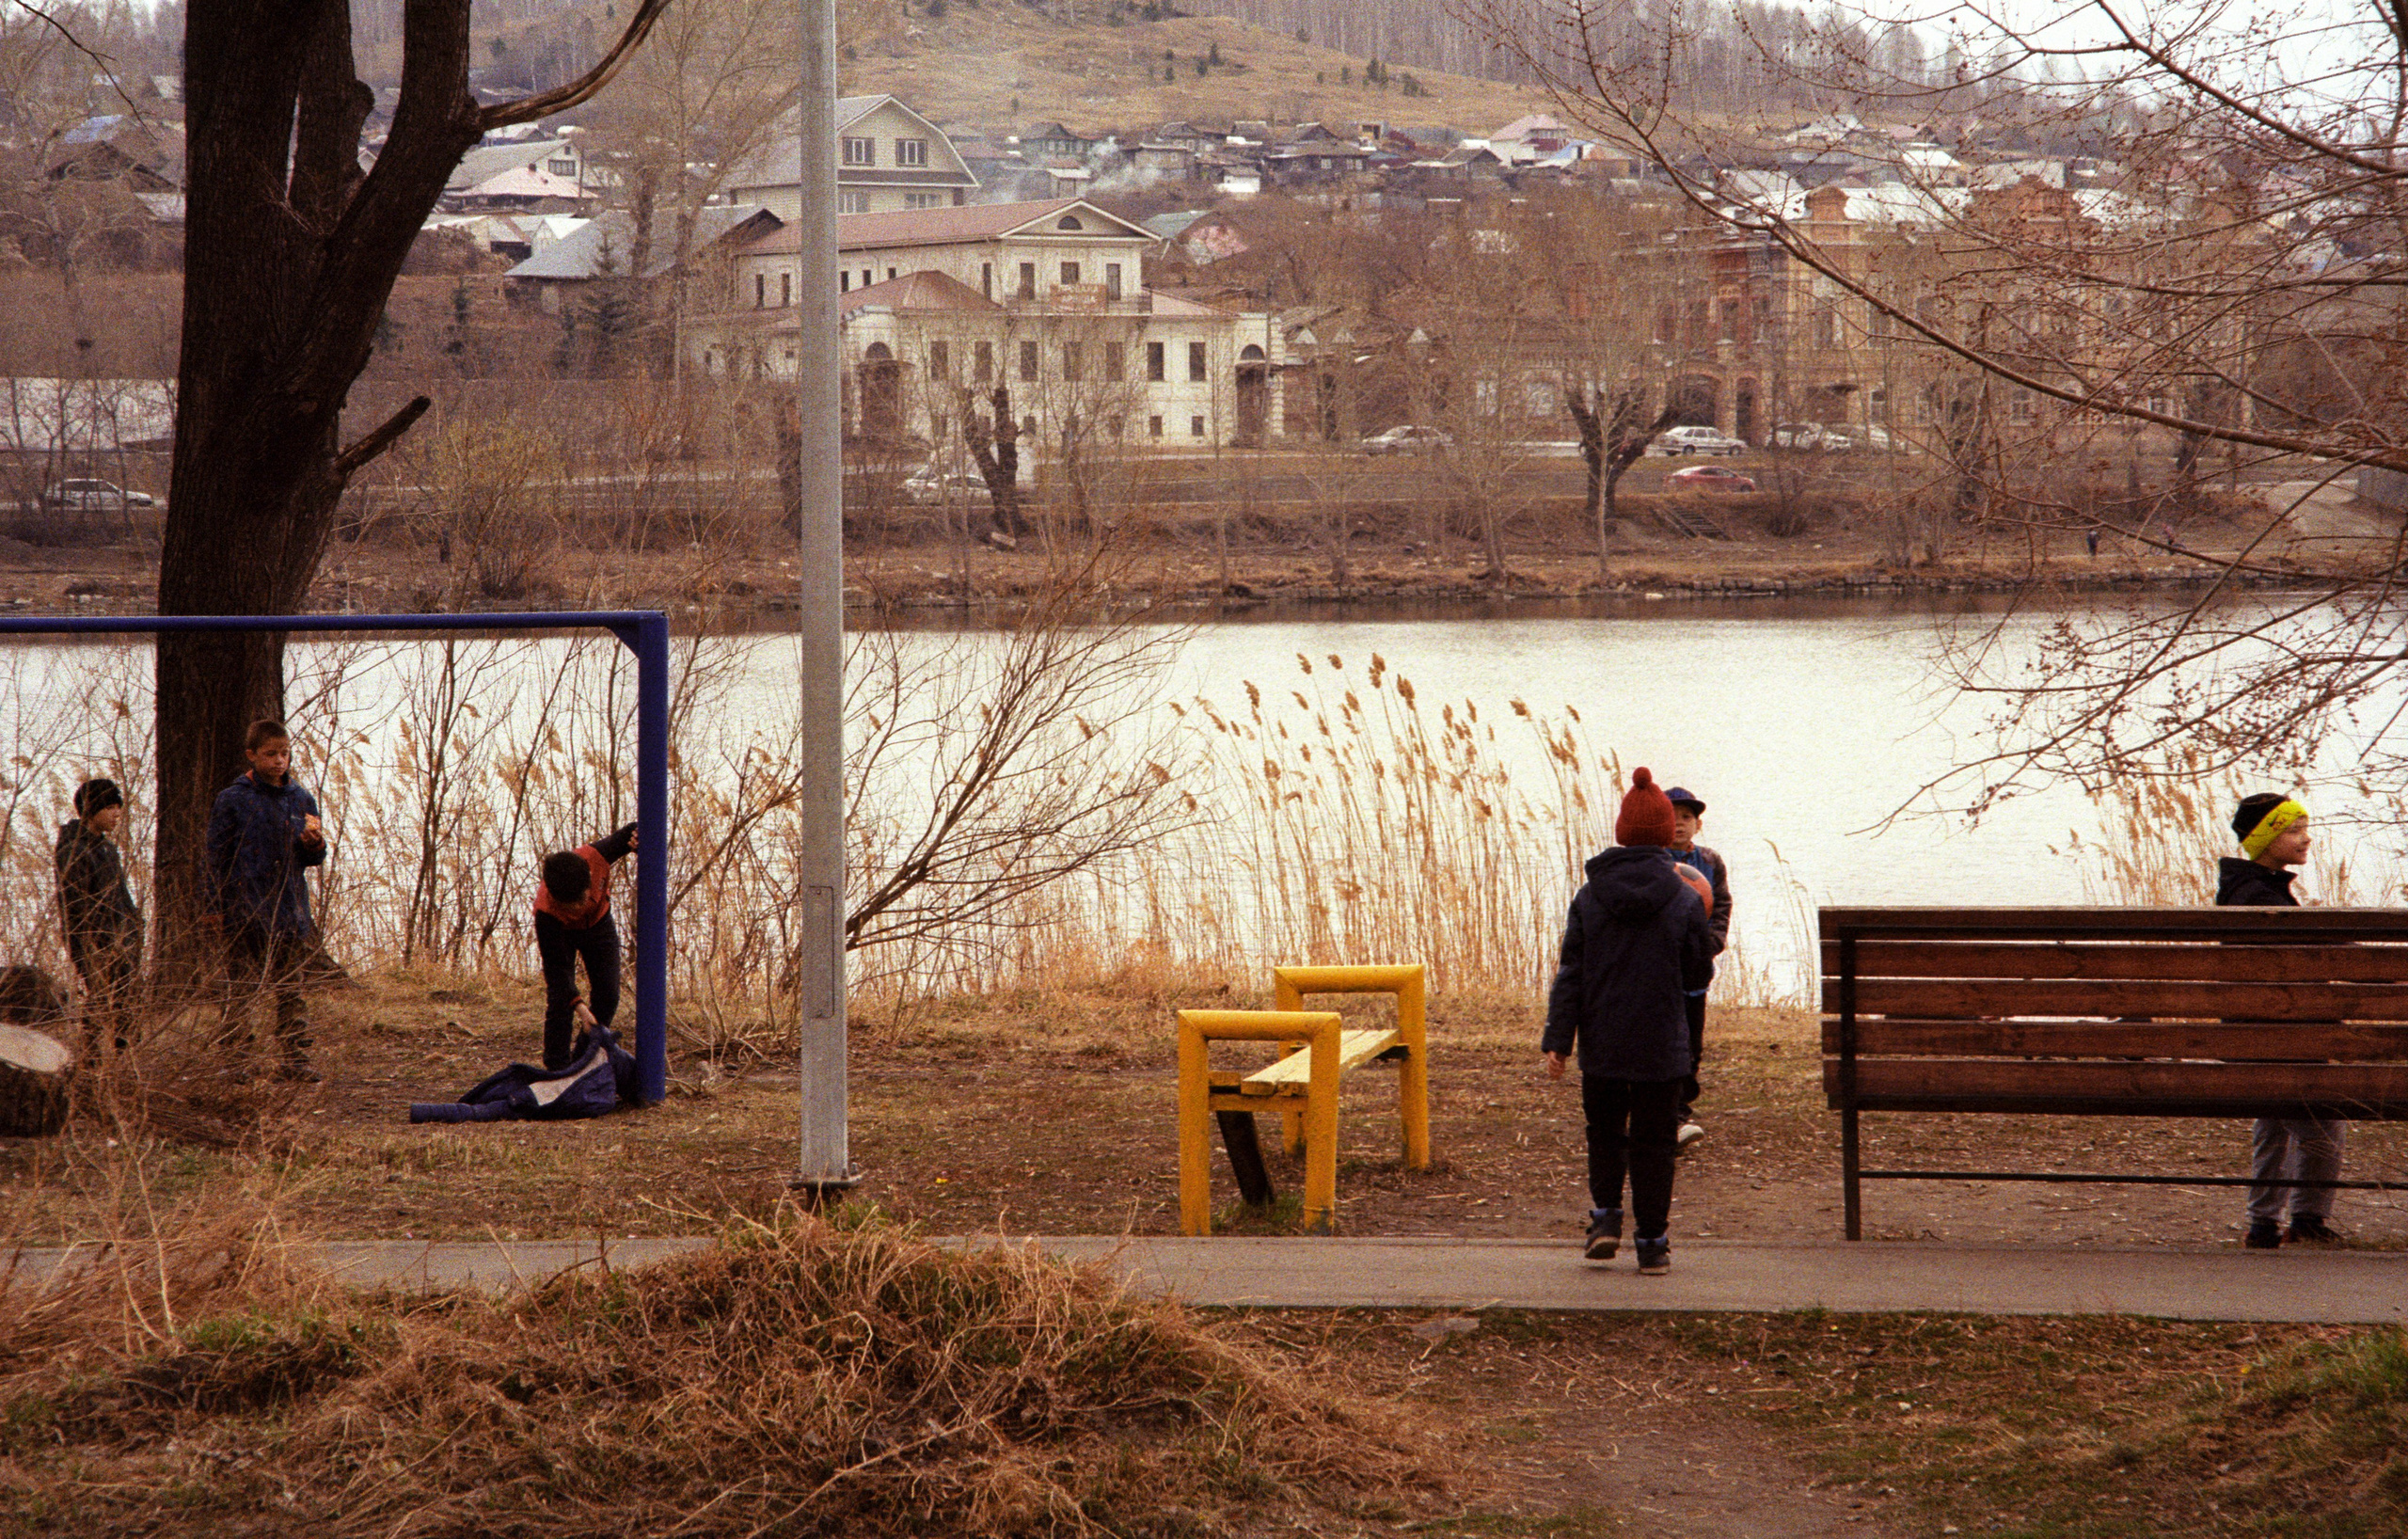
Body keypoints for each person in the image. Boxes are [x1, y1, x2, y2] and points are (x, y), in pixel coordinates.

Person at [1543, 767, 1716, 1276]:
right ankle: (1652, 1244)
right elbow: (1697, 974)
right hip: (1661, 1044)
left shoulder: (1590, 896)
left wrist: (1559, 1040)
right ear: (1664, 834)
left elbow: (1571, 973)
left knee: (1604, 1132)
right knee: (1655, 1143)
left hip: (1603, 1041)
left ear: (1621, 832)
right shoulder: (1685, 897)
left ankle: (1605, 1221)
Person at [2220, 791, 2345, 1248]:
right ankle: (2308, 1219)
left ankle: (2262, 1223)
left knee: (2274, 1124)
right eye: (2293, 830)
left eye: (2305, 828)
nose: (2306, 838)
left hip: (2256, 1042)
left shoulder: (2247, 889)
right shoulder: (2259, 898)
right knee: (2324, 1122)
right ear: (2263, 839)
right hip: (2278, 1042)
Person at [206, 719, 328, 1083]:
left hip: (288, 909)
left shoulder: (301, 799)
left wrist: (315, 846)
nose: (279, 761)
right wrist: (213, 907)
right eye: (271, 754)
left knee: (291, 989)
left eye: (285, 753)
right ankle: (236, 1061)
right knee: (240, 989)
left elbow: (314, 858)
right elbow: (214, 858)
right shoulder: (232, 799)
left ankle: (295, 1060)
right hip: (243, 910)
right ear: (252, 755)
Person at [534, 821, 638, 1071]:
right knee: (560, 1001)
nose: (580, 908)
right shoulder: (546, 914)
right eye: (573, 906)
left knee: (608, 995)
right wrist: (580, 1008)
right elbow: (558, 973)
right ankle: (557, 1068)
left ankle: (584, 1060)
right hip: (563, 933)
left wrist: (638, 837)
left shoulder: (595, 856)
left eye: (582, 899)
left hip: (599, 925)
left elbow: (630, 832)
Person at [54, 777, 142, 1057]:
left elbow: (122, 896)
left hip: (122, 939)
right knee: (102, 999)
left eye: (119, 807)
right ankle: (90, 1060)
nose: (117, 814)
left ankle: (124, 1060)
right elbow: (76, 909)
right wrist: (92, 945)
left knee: (126, 1001)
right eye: (110, 807)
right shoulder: (72, 851)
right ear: (92, 809)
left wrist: (135, 927)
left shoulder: (108, 850)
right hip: (93, 942)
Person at [1664, 785, 1731, 1152]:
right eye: (1671, 817)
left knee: (1691, 1045)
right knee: (1661, 1041)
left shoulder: (1710, 861)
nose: (1679, 824)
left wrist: (1710, 944)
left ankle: (1681, 1111)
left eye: (1686, 817)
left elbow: (1721, 906)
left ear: (1698, 824)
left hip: (1695, 971)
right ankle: (1664, 1115)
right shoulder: (1652, 860)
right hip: (1659, 972)